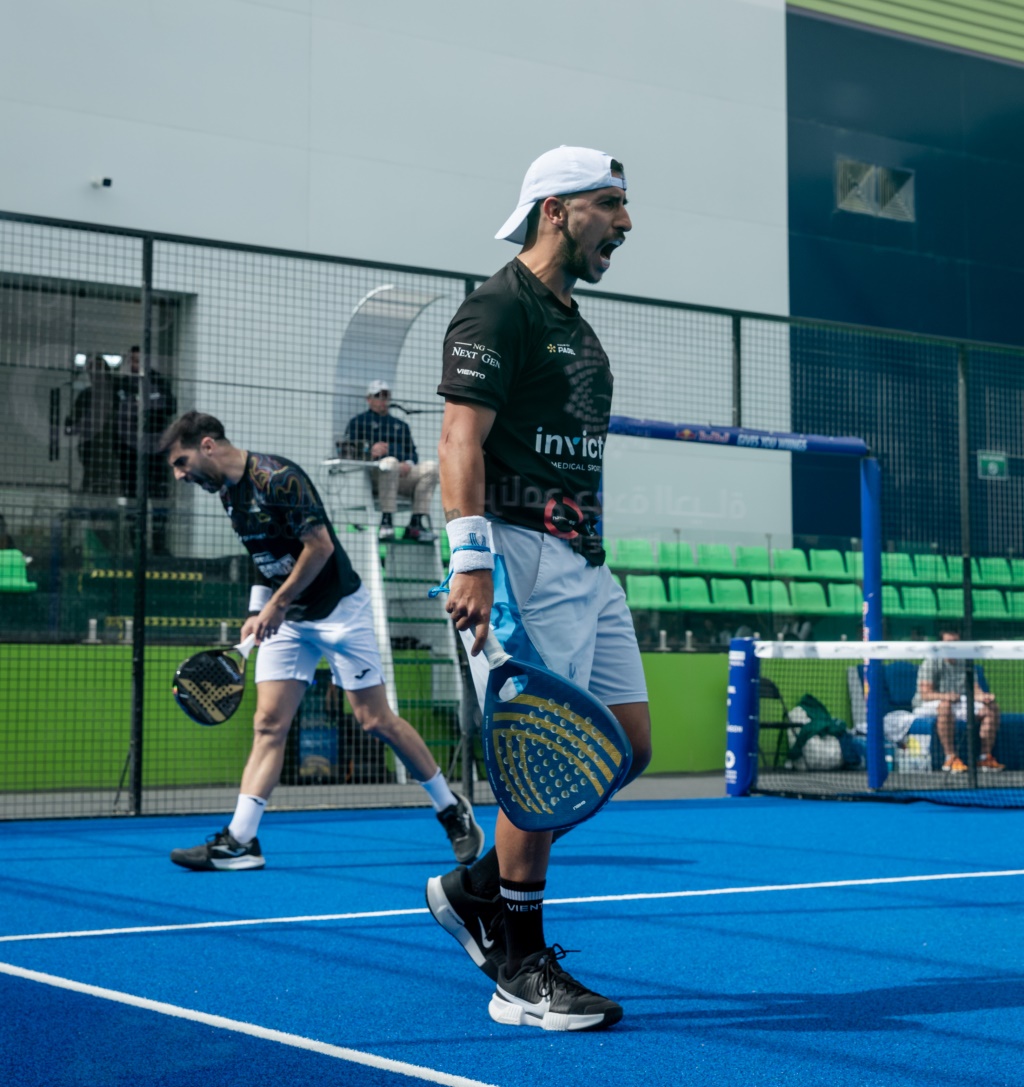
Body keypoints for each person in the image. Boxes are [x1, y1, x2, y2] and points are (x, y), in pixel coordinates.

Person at [425, 146, 652, 1031]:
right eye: (611, 206)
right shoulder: (497, 305)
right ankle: (519, 970)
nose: (626, 225)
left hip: (585, 561)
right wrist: (471, 555)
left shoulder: (573, 321)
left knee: (624, 744)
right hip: (516, 556)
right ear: (555, 209)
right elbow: (457, 438)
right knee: (538, 760)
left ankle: (474, 890)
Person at [159, 411, 483, 870]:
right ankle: (240, 841)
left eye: (181, 461)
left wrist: (277, 604)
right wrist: (257, 610)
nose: (180, 474)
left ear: (207, 445)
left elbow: (320, 547)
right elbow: (263, 557)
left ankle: (451, 809)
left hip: (339, 612)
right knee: (269, 724)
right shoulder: (230, 495)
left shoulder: (278, 479)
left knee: (375, 720)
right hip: (288, 619)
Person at [342, 380, 439, 542]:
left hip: (401, 476)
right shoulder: (358, 422)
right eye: (378, 396)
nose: (383, 400)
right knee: (390, 463)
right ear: (369, 399)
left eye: (386, 396)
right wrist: (369, 451)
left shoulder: (400, 425)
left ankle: (415, 524)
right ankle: (386, 521)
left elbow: (413, 453)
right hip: (373, 478)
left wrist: (408, 463)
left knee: (432, 467)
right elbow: (346, 452)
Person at [912, 626, 1003, 772]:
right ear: (941, 644)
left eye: (956, 642)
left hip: (958, 702)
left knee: (991, 708)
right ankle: (950, 758)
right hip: (927, 705)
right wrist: (945, 696)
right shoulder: (932, 662)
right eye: (949, 643)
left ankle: (985, 757)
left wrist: (984, 697)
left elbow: (975, 689)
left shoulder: (965, 662)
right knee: (945, 706)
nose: (953, 646)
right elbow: (925, 694)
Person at [114, 346, 177, 553]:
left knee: (158, 496)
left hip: (156, 453)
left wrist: (147, 405)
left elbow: (170, 405)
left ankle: (160, 547)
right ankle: (135, 547)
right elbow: (116, 411)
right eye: (133, 360)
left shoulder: (158, 381)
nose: (136, 364)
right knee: (133, 499)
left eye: (140, 360)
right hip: (129, 455)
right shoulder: (121, 384)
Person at [65, 354, 116, 494]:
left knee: (106, 479)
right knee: (92, 475)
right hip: (90, 445)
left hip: (111, 446)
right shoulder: (86, 395)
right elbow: (73, 422)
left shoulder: (115, 394)